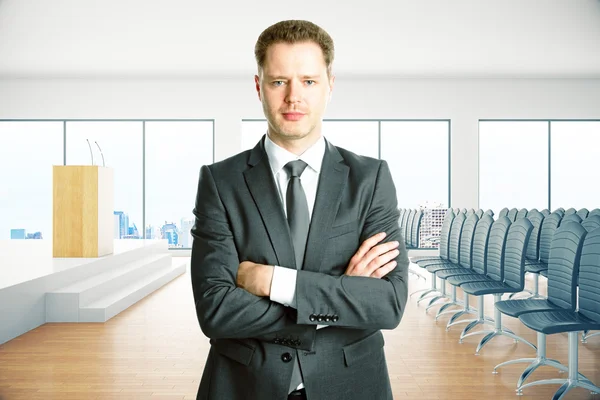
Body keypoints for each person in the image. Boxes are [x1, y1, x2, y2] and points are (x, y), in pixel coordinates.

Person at [191, 19, 409, 400]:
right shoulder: (220, 182)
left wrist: (275, 283)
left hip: (352, 383)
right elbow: (216, 310)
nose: (293, 96)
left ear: (329, 87)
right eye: (279, 81)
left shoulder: (370, 178)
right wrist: (341, 294)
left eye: (308, 81)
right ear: (259, 87)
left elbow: (388, 304)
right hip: (244, 386)